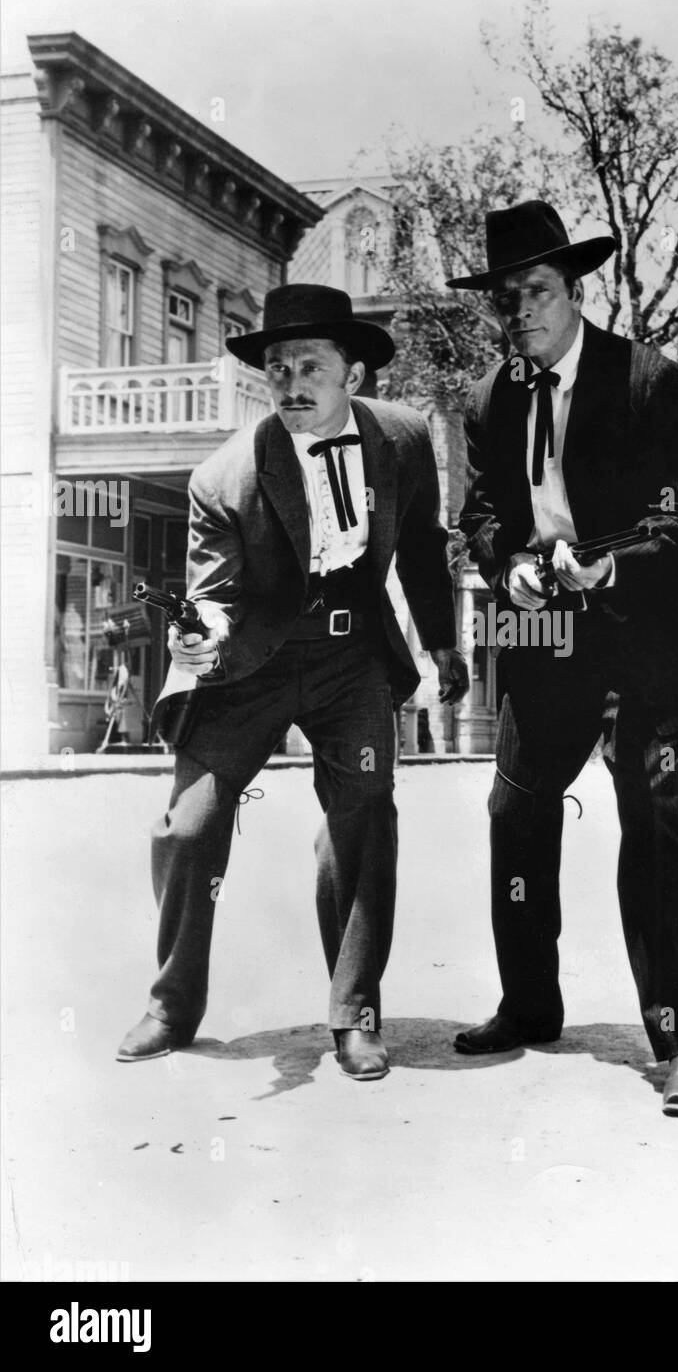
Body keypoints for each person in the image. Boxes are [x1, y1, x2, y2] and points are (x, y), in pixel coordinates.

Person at [117, 284, 468, 1080]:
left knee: (365, 815)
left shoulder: (406, 439)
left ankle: (355, 1012)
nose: (293, 384)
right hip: (253, 662)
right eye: (277, 370)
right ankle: (173, 1003)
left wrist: (442, 644)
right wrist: (201, 635)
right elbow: (215, 592)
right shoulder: (223, 476)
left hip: (354, 660)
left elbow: (419, 546)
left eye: (311, 365)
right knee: (187, 827)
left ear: (355, 374)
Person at [450, 201, 678, 1115]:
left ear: (575, 290)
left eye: (534, 291)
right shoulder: (491, 397)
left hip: (641, 633)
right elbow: (481, 514)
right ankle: (529, 1003)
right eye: (505, 299)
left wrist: (606, 563)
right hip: (544, 635)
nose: (518, 311)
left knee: (647, 815)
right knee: (514, 807)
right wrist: (509, 568)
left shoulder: (650, 382)